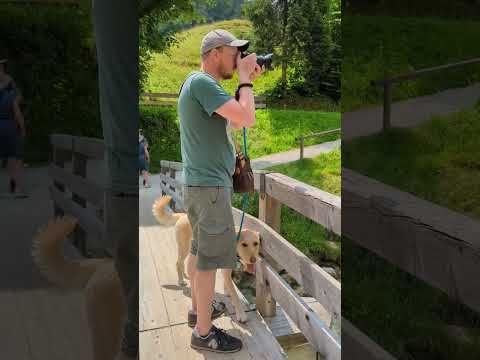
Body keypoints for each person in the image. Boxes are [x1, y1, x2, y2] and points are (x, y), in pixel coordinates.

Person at [178, 29, 263, 353]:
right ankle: (204, 332)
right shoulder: (202, 83)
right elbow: (248, 118)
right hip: (210, 188)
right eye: (234, 53)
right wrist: (244, 79)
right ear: (216, 53)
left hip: (204, 187)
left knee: (201, 254)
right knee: (210, 261)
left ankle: (196, 311)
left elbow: (239, 122)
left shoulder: (201, 87)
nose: (237, 58)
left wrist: (246, 81)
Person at [0, 58, 26, 196]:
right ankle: (17, 187)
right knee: (15, 157)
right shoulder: (12, 95)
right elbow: (17, 112)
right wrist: (23, 128)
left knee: (7, 157)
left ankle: (14, 184)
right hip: (10, 126)